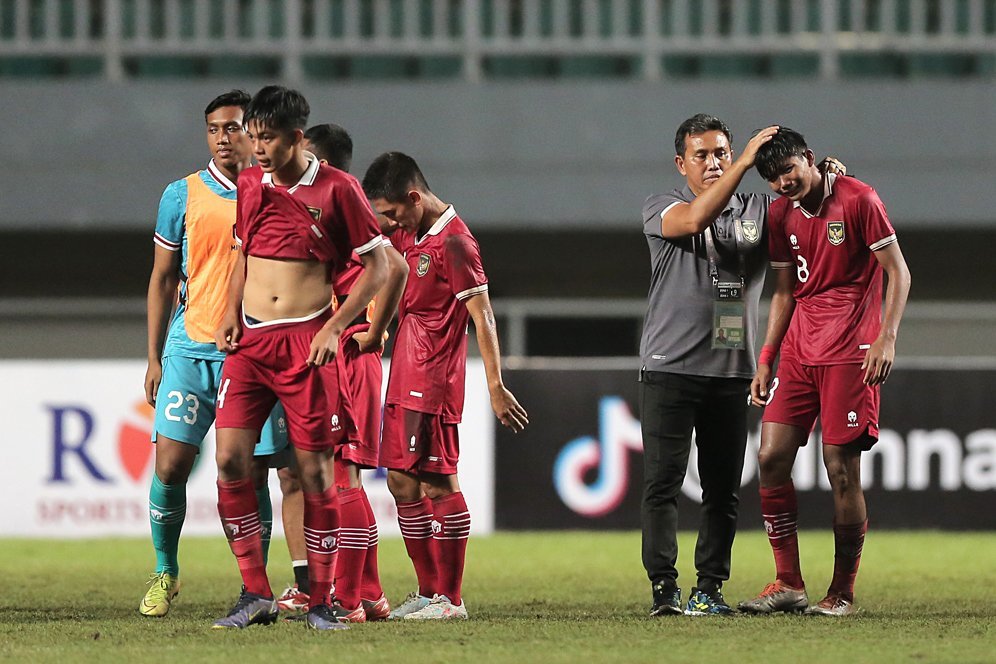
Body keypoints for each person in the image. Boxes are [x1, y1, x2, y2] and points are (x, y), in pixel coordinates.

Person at [211, 86, 393, 631]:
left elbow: (382, 267)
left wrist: (336, 326)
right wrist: (227, 310)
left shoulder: (339, 190)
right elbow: (244, 252)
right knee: (228, 461)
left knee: (316, 473)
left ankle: (321, 601)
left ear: (295, 137)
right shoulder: (249, 183)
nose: (256, 148)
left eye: (266, 138)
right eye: (253, 136)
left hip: (306, 343)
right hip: (250, 343)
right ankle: (254, 592)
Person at [739, 128, 910, 616]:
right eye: (772, 178)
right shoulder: (779, 214)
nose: (782, 183)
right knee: (770, 456)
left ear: (808, 159)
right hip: (798, 349)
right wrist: (767, 356)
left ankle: (842, 593)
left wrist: (887, 337)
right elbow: (785, 289)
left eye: (788, 170)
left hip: (850, 350)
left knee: (840, 469)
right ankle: (788, 582)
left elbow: (898, 271)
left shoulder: (859, 198)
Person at [362, 152, 528, 620]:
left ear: (414, 197)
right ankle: (427, 590)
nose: (391, 223)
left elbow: (483, 315)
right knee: (399, 480)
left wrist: (495, 384)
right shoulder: (411, 231)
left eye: (394, 213)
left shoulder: (456, 243)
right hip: (403, 374)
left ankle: (450, 599)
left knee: (437, 482)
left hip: (434, 379)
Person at [141, 90, 288, 618]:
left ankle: (258, 586)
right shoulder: (180, 195)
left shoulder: (274, 191)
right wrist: (155, 356)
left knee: (252, 472)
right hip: (189, 348)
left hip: (252, 354)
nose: (224, 137)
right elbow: (162, 278)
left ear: (254, 131)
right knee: (172, 464)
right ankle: (165, 569)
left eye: (233, 127)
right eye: (214, 129)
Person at [639, 115, 778, 617]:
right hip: (669, 368)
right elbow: (695, 221)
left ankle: (709, 588)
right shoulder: (662, 206)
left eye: (722, 152)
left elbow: (808, 209)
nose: (714, 162)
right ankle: (664, 589)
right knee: (663, 484)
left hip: (731, 371)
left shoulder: (760, 210)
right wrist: (744, 165)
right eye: (702, 155)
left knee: (723, 490)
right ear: (682, 163)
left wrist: (826, 177)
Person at [274, 123, 406, 623]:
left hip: (348, 358)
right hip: (352, 357)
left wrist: (370, 330)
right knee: (343, 476)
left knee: (341, 477)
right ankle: (368, 592)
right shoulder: (328, 213)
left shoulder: (340, 209)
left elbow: (391, 264)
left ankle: (347, 599)